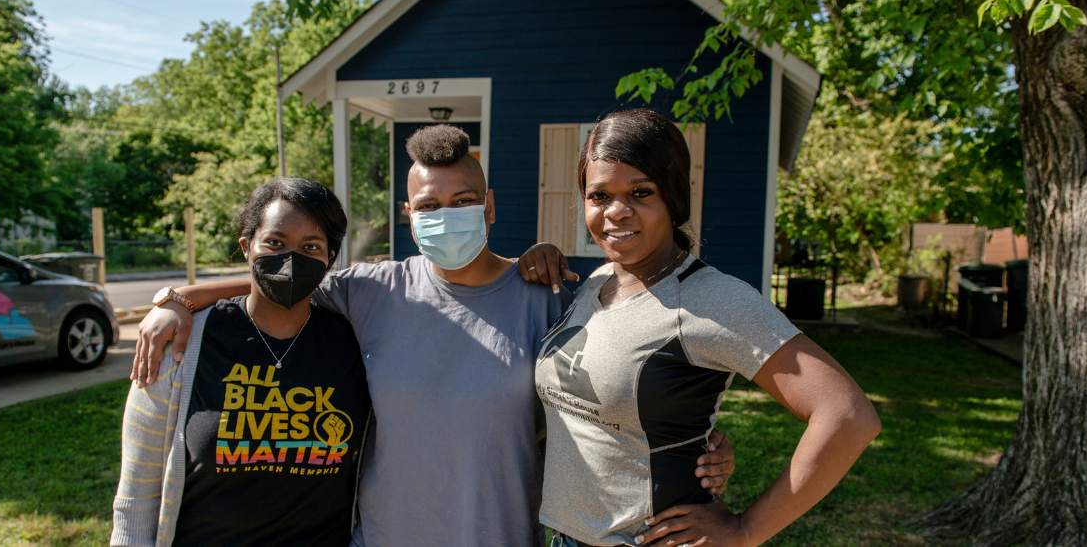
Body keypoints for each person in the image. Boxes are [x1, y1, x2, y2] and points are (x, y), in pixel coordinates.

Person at [130, 124, 738, 547]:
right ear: (407, 213)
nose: (445, 215)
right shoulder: (368, 291)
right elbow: (285, 274)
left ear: (491, 206)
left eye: (463, 200)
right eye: (429, 205)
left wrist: (693, 446)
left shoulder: (549, 297)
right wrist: (177, 298)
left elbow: (611, 392)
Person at [523, 109, 882, 547]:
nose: (617, 211)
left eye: (640, 192)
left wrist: (745, 530)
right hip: (563, 537)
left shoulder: (713, 300)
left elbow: (847, 416)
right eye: (599, 196)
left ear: (673, 197)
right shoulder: (596, 284)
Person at [112, 177, 370, 547]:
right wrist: (177, 301)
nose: (291, 259)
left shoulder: (355, 346)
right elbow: (137, 498)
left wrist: (180, 295)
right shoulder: (181, 345)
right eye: (275, 243)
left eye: (310, 246)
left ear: (330, 258)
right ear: (246, 246)